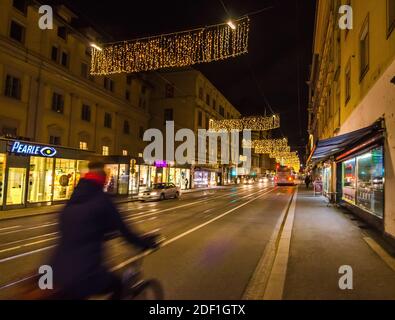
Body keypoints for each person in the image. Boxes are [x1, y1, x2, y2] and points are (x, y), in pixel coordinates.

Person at [47, 161, 158, 300]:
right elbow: (126, 232)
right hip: (86, 273)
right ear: (103, 180)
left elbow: (79, 230)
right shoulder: (103, 201)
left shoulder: (72, 201)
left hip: (54, 271)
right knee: (118, 286)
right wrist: (146, 243)